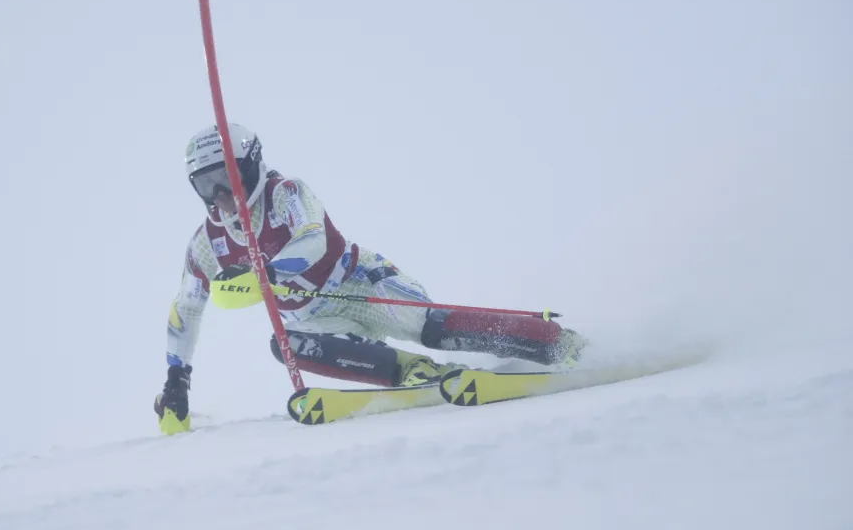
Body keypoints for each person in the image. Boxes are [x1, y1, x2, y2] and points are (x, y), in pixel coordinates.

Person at [154, 123, 587, 434]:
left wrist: (265, 271)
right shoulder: (207, 243)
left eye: (226, 179)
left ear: (250, 167)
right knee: (285, 343)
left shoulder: (285, 194)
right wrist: (178, 379)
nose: (221, 197)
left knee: (429, 327)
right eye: (207, 185)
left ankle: (554, 341)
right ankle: (412, 372)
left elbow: (313, 242)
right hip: (315, 317)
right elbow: (186, 307)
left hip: (359, 284)